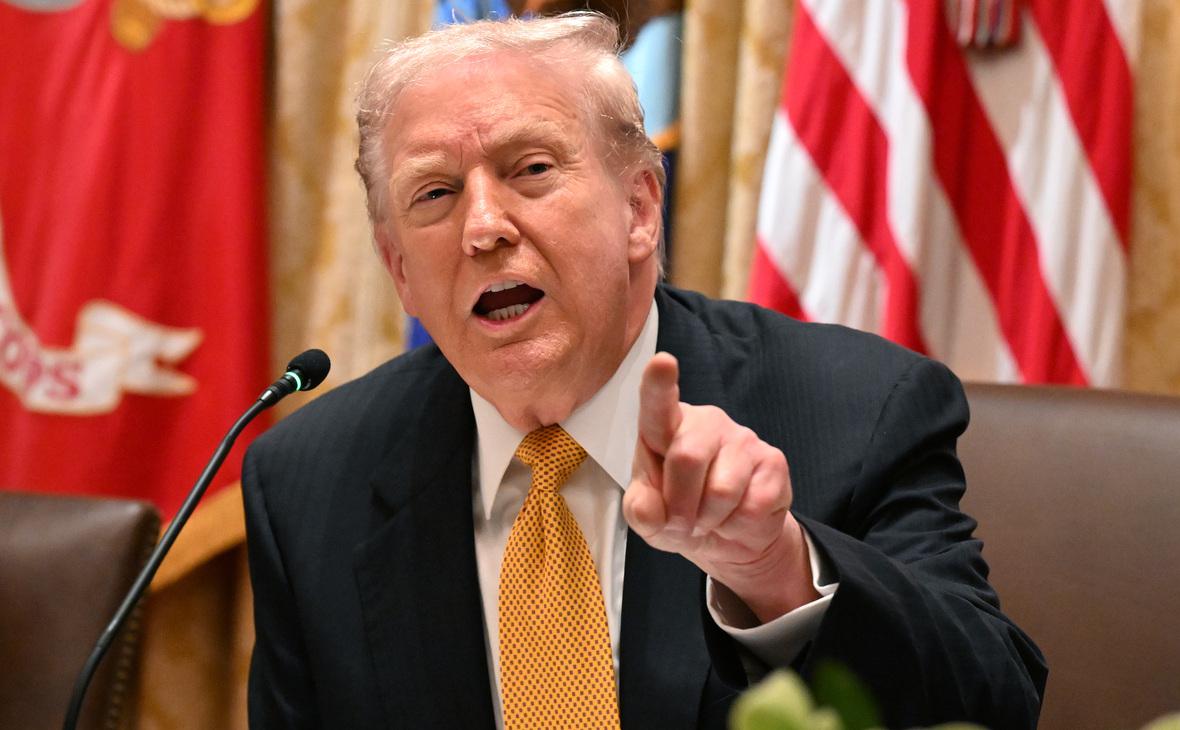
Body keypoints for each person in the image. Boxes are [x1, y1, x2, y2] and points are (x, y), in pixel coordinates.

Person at [242, 12, 1045, 730]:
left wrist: (773, 568)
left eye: (531, 169)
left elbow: (994, 705)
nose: (483, 228)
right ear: (399, 270)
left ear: (639, 209)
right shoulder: (308, 482)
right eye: (435, 194)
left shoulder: (854, 407)